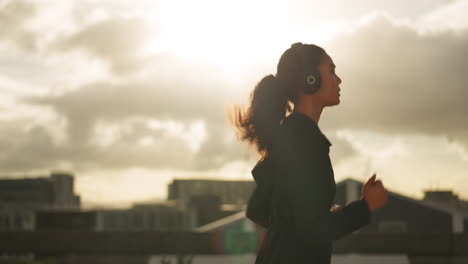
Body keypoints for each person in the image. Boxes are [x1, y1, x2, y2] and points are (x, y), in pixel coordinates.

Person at [229, 42, 389, 264]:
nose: (339, 80)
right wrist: (366, 206)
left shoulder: (290, 134)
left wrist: (311, 214)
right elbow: (313, 232)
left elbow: (258, 209)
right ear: (310, 79)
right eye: (331, 71)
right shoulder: (305, 142)